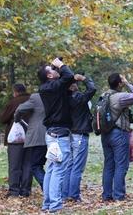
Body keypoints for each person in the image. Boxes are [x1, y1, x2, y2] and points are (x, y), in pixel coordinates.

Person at [38, 57, 76, 212]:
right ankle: (55, 205)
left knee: (53, 168)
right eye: (53, 70)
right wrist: (61, 65)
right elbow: (69, 76)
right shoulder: (53, 86)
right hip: (59, 134)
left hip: (52, 133)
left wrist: (55, 66)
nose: (56, 70)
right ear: (49, 76)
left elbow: (66, 80)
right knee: (59, 169)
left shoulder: (48, 87)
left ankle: (47, 204)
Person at [101, 73, 133, 202]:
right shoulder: (120, 97)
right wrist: (127, 83)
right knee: (121, 164)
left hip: (105, 134)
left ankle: (107, 195)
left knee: (109, 165)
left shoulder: (103, 96)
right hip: (119, 134)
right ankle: (119, 196)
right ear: (120, 83)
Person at [62, 74, 96, 202]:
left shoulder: (64, 99)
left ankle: (65, 194)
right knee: (77, 166)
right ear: (71, 87)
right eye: (73, 83)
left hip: (68, 134)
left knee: (69, 165)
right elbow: (92, 89)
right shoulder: (78, 98)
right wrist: (84, 79)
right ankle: (74, 195)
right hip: (80, 134)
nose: (76, 84)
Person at [0, 84, 31, 197]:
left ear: (15, 92)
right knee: (27, 164)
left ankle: (14, 190)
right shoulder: (32, 100)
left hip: (16, 138)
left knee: (14, 165)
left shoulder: (14, 102)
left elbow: (3, 118)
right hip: (31, 136)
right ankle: (26, 190)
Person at [14, 92, 47, 190]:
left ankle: (48, 188)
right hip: (55, 134)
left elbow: (20, 109)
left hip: (38, 136)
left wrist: (17, 119)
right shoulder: (57, 95)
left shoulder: (36, 97)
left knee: (36, 165)